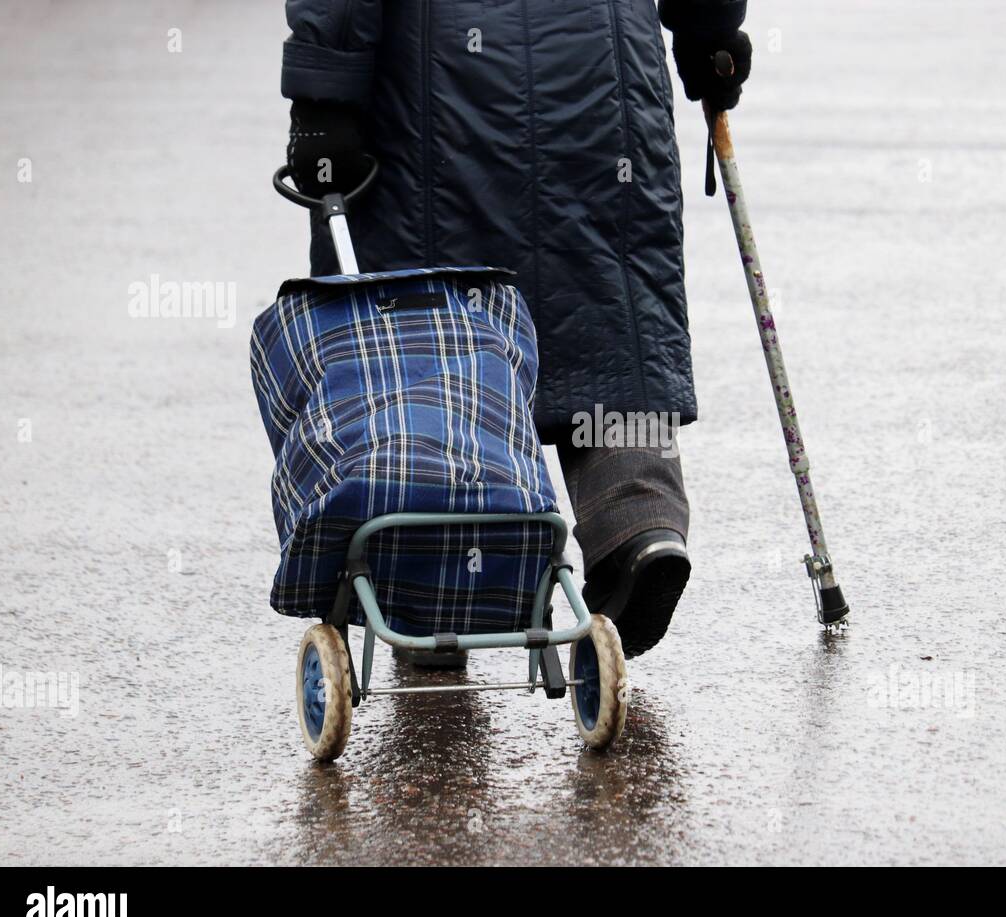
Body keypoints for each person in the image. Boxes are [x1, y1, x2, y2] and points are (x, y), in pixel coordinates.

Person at [280, 0, 752, 659]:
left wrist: (325, 88)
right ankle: (637, 525)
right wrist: (712, 32)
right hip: (603, 71)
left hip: (429, 88)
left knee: (435, 329)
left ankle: (434, 587)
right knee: (608, 310)